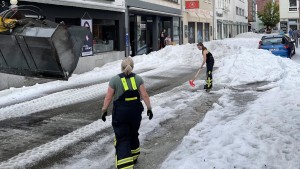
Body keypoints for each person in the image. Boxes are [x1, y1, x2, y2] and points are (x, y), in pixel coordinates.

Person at [101, 57, 153, 169]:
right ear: (132, 67)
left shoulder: (114, 80)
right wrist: (149, 108)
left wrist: (104, 110)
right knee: (133, 133)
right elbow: (144, 95)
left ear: (121, 67)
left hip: (120, 113)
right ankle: (134, 157)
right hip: (135, 112)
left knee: (123, 137)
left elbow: (108, 98)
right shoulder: (138, 79)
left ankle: (125, 166)